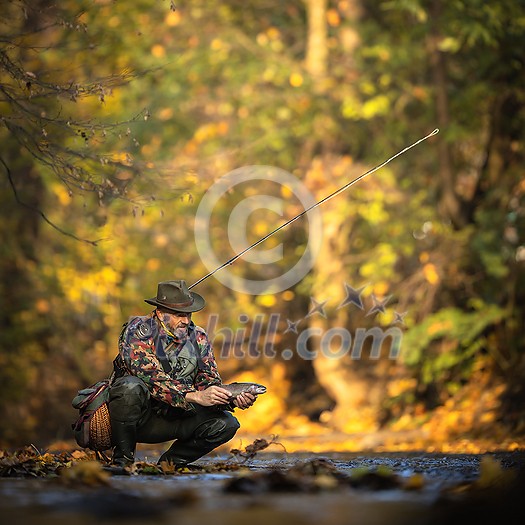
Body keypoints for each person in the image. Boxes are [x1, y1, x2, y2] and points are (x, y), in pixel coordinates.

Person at [108, 279, 257, 468]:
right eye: (179, 315)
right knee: (129, 387)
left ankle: (171, 464)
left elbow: (208, 382)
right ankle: (122, 461)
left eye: (188, 314)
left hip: (178, 417)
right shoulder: (138, 330)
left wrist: (231, 398)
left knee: (228, 424)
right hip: (139, 419)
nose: (186, 320)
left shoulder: (198, 336)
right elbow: (152, 379)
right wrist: (194, 395)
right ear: (161, 314)